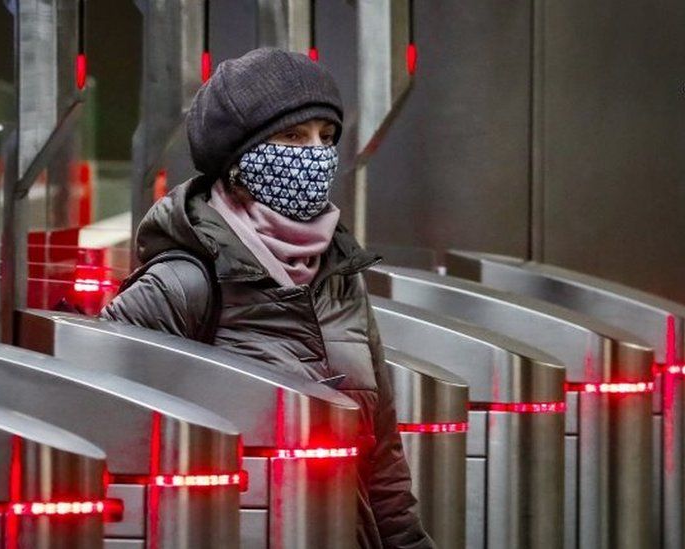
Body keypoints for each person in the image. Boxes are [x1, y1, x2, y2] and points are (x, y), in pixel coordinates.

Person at [101, 48, 435, 549]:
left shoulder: (340, 276)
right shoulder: (183, 283)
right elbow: (112, 445)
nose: (315, 154)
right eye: (292, 137)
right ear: (238, 160)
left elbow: (381, 454)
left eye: (326, 137)